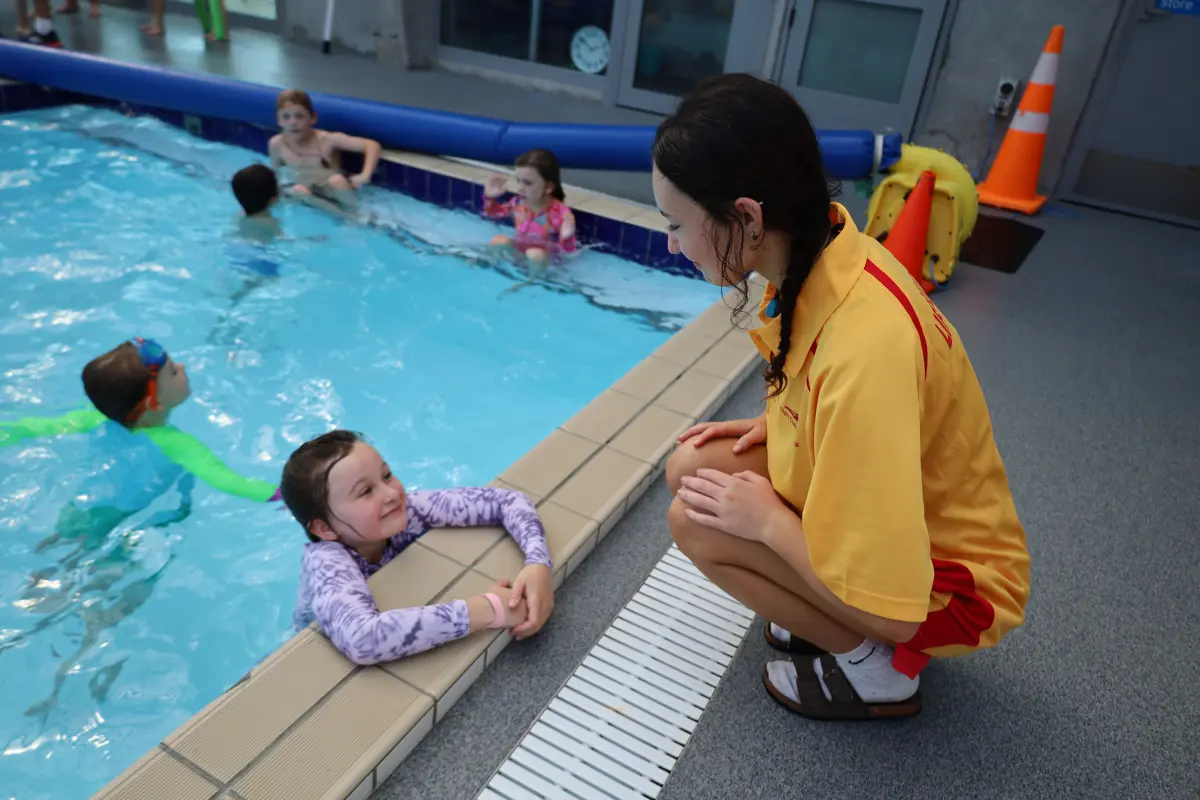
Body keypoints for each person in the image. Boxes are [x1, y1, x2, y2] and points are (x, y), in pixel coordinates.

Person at [657, 74, 1031, 721]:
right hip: (905, 520)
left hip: (949, 586)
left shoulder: (867, 350)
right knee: (693, 467)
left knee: (696, 523)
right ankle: (820, 609)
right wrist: (780, 423)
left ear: (746, 217)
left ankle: (879, 672)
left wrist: (770, 526)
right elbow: (825, 394)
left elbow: (892, 598)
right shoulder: (820, 254)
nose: (672, 244)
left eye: (677, 225)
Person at [280, 430, 555, 665]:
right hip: (305, 649)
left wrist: (537, 563)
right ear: (325, 529)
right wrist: (490, 609)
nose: (391, 494)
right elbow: (364, 639)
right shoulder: (327, 561)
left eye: (386, 475)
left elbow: (506, 502)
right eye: (365, 492)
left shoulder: (407, 509)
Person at [269, 89, 382, 209]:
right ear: (278, 120)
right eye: (286, 117)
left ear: (313, 118)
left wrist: (365, 174)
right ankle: (346, 217)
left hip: (334, 192)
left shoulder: (327, 140)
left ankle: (355, 213)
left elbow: (372, 145)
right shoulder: (277, 144)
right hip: (309, 194)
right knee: (298, 190)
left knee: (336, 180)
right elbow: (276, 176)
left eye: (299, 116)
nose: (293, 122)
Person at [483, 148, 577, 266]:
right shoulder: (518, 203)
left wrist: (567, 238)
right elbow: (493, 214)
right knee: (499, 240)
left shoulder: (560, 213)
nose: (520, 188)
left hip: (545, 260)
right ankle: (489, 266)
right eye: (519, 181)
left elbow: (568, 252)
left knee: (535, 254)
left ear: (548, 187)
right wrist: (489, 198)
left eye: (527, 183)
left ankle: (536, 281)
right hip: (520, 252)